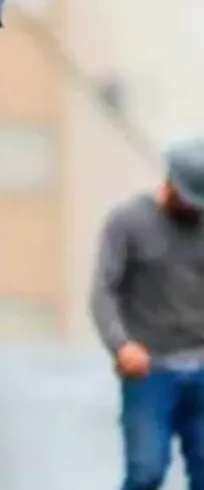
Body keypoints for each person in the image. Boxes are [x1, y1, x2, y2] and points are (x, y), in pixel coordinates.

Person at [91, 136, 204, 490]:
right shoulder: (129, 221)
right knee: (146, 472)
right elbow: (104, 290)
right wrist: (121, 345)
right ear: (170, 183)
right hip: (150, 369)